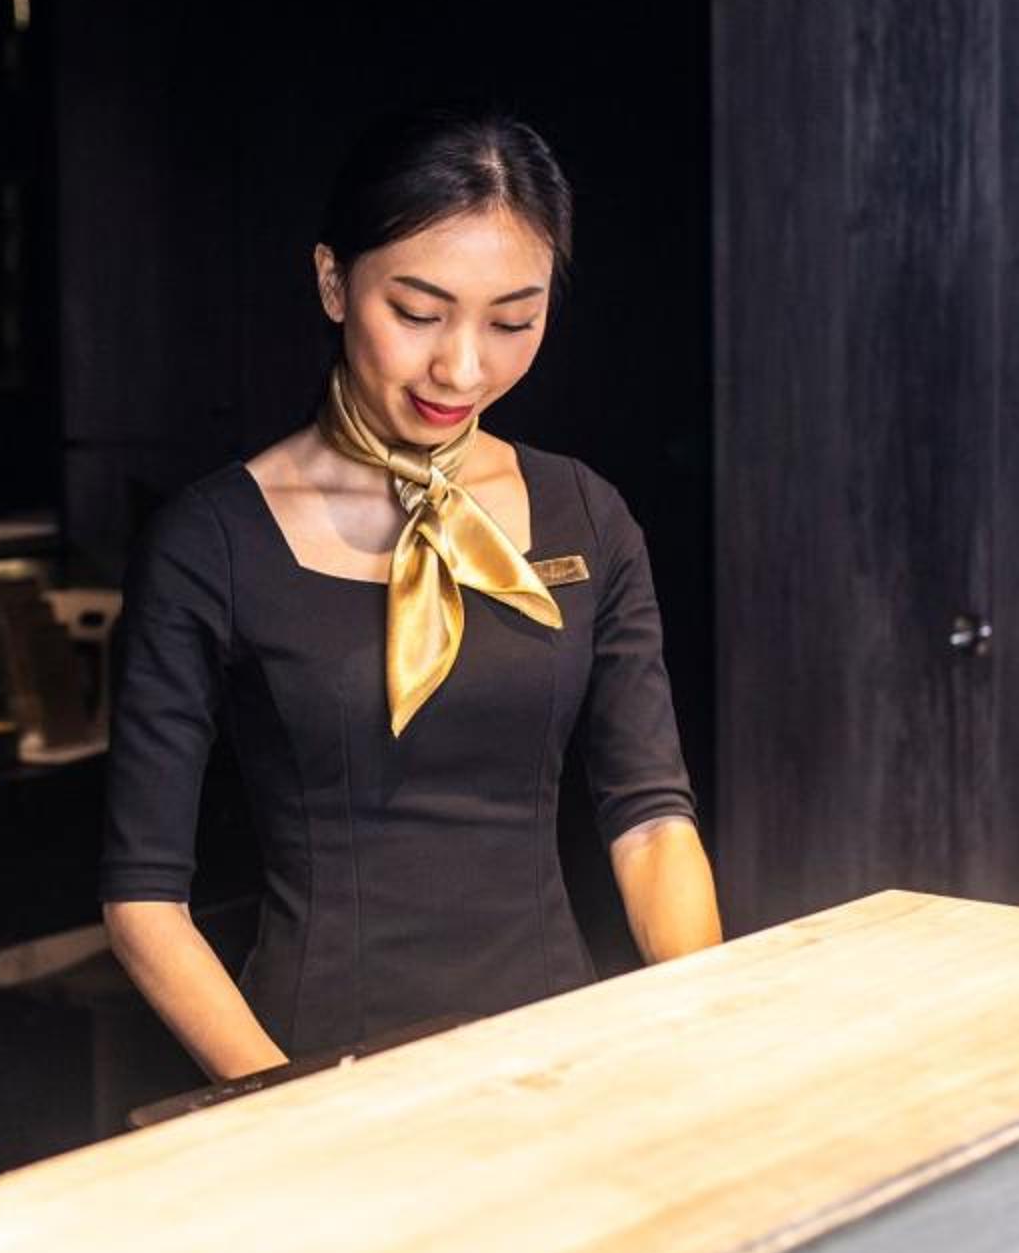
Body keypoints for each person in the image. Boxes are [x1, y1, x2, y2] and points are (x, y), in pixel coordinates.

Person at [99, 109, 722, 1080]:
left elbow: (650, 825)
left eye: (512, 321)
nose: (462, 368)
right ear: (333, 282)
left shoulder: (585, 516)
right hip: (316, 1067)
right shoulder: (212, 542)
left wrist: (711, 1028)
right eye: (419, 314)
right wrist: (291, 1102)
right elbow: (144, 902)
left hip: (563, 1059)